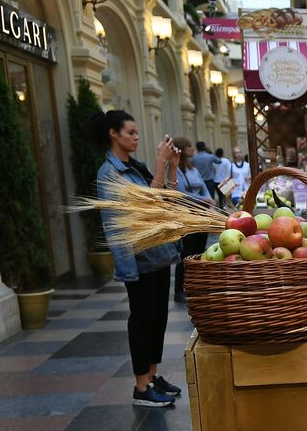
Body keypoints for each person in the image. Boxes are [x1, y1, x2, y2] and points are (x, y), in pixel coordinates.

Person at [91, 109, 181, 408]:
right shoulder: (110, 174)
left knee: (157, 320)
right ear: (113, 134)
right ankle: (141, 386)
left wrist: (170, 169)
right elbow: (142, 210)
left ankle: (153, 377)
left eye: (137, 132)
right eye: (130, 132)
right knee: (141, 321)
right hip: (138, 259)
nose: (136, 137)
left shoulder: (137, 167)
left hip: (156, 253)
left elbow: (165, 204)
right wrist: (159, 164)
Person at [174, 138, 215, 303]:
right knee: (186, 253)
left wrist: (210, 200)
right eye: (189, 146)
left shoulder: (193, 168)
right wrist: (205, 200)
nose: (192, 149)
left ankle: (194, 286)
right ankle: (179, 290)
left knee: (199, 251)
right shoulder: (175, 170)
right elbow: (181, 194)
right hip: (187, 215)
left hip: (201, 214)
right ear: (182, 149)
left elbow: (204, 187)